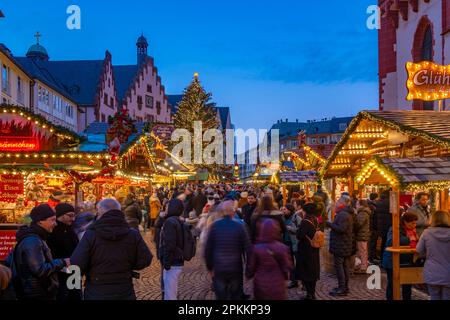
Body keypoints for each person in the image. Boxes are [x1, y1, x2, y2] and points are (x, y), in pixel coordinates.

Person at [70, 198, 152, 300]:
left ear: (99, 212)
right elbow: (145, 259)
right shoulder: (132, 234)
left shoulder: (91, 235)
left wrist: (72, 289)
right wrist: (128, 265)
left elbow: (76, 264)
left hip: (96, 291)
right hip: (124, 290)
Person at [7, 204, 69, 300]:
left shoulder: (37, 237)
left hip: (36, 292)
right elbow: (39, 270)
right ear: (40, 221)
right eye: (52, 220)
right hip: (36, 294)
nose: (56, 223)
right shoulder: (32, 241)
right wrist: (63, 262)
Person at [205, 200, 252, 300]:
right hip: (235, 267)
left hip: (219, 267)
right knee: (235, 296)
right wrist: (248, 269)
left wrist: (210, 267)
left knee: (221, 296)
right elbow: (248, 249)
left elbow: (208, 249)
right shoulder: (239, 226)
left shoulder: (214, 226)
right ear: (232, 212)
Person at [247, 219, 293, 300]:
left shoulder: (257, 248)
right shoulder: (282, 248)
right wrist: (285, 276)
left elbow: (252, 267)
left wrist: (249, 274)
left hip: (261, 284)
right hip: (277, 283)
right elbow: (287, 266)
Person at [46, 203, 81, 300]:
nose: (73, 219)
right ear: (61, 215)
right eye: (70, 215)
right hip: (58, 271)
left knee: (75, 295)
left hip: (73, 270)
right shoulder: (51, 231)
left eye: (74, 215)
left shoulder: (71, 230)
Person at [382, 211, 418, 300]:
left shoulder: (412, 230)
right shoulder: (395, 228)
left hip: (406, 260)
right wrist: (409, 239)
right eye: (413, 223)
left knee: (407, 283)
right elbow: (390, 242)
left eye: (415, 223)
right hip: (392, 260)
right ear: (405, 222)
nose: (415, 225)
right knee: (393, 284)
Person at [416, 210, 450, 300]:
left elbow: (419, 250)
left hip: (432, 271)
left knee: (434, 297)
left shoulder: (427, 233)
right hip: (448, 272)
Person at [326, 195, 354, 296]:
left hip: (341, 245)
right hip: (343, 244)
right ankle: (344, 287)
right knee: (344, 266)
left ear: (342, 203)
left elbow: (341, 229)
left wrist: (329, 224)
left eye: (338, 202)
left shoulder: (343, 214)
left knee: (340, 267)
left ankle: (342, 288)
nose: (336, 203)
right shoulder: (345, 213)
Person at [159, 199, 185, 300]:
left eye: (168, 207)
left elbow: (170, 244)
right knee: (172, 292)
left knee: (170, 295)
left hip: (172, 263)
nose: (166, 209)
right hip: (177, 261)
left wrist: (166, 262)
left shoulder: (170, 222)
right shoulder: (177, 220)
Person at [296, 203, 320, 300]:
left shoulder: (305, 221)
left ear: (305, 211)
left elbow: (299, 236)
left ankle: (309, 295)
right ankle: (312, 293)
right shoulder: (315, 219)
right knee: (313, 271)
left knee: (305, 271)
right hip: (314, 248)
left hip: (305, 250)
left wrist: (297, 230)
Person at [282, 204, 301, 289]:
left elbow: (301, 230)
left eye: (285, 209)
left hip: (295, 243)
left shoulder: (296, 218)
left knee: (300, 263)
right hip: (286, 243)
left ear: (290, 210)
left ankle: (304, 282)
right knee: (290, 264)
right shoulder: (282, 218)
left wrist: (291, 229)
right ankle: (293, 281)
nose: (283, 211)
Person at [354, 199, 371, 274]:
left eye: (357, 204)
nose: (356, 205)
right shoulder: (362, 212)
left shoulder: (363, 212)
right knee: (362, 251)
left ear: (361, 205)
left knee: (363, 251)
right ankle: (362, 265)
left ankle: (363, 267)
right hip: (362, 234)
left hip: (362, 234)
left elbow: (359, 224)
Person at [375, 191, 391, 263]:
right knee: (387, 243)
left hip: (380, 226)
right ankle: (386, 259)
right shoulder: (389, 202)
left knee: (383, 242)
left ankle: (382, 258)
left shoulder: (378, 202)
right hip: (388, 225)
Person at [368, 193, 379, 263]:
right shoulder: (372, 206)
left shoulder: (373, 205)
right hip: (373, 226)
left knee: (374, 242)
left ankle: (374, 256)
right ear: (375, 198)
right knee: (372, 242)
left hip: (374, 226)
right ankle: (371, 258)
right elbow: (372, 217)